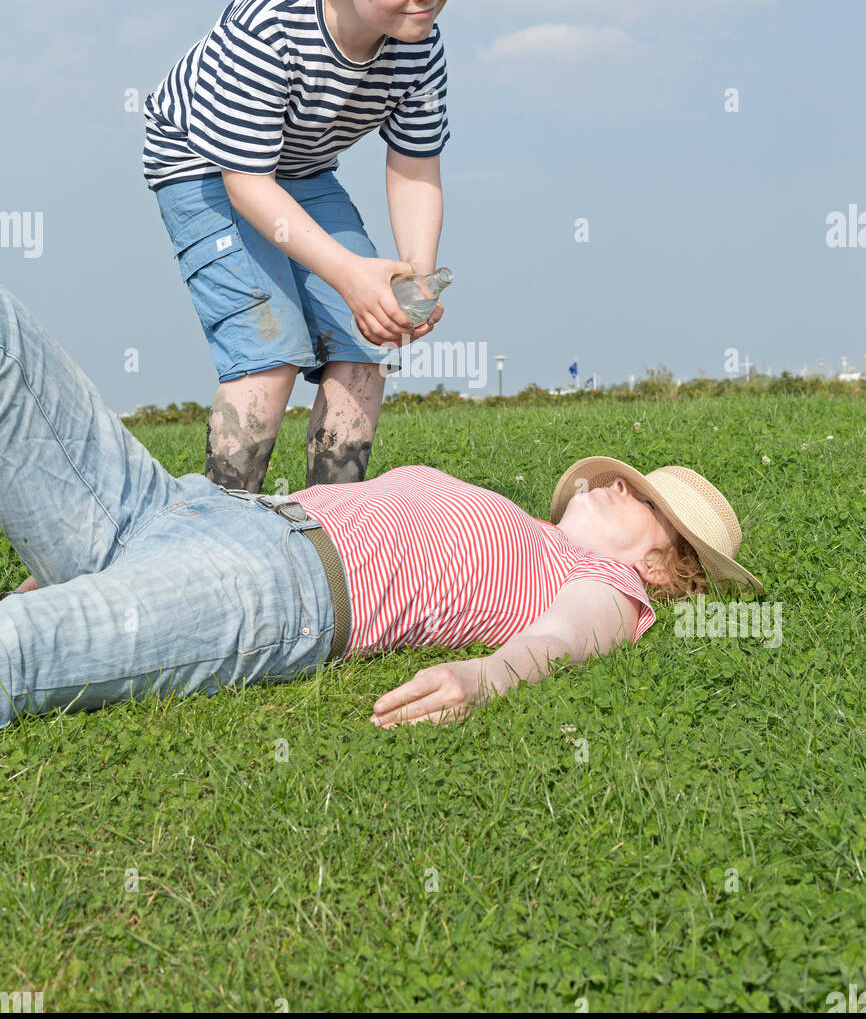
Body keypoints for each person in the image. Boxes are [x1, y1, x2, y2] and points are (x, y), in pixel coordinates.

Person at [0, 283, 761, 732]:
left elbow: (572, 633)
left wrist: (488, 678)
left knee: (17, 649)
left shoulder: (608, 588)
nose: (622, 484)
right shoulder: (529, 530)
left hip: (271, 588)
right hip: (188, 509)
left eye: (648, 501)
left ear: (663, 568)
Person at [143, 0, 458, 493]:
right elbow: (246, 182)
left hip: (302, 167)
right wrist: (348, 274)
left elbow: (414, 164)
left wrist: (413, 279)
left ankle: (330, 526)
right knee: (269, 349)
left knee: (362, 344)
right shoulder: (269, 28)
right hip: (204, 166)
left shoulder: (419, 44)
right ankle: (223, 528)